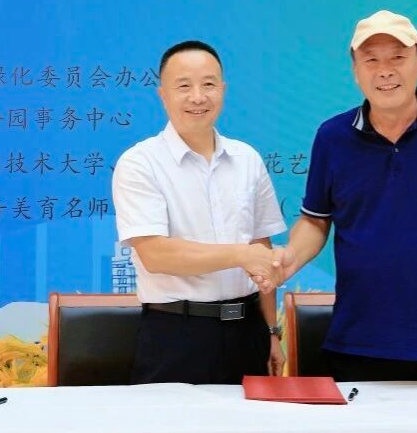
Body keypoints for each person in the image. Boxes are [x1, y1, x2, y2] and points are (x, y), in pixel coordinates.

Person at [264, 10, 417, 382]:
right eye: (371, 60)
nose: (385, 71)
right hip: (357, 340)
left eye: (397, 57)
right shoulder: (332, 137)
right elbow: (316, 221)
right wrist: (289, 259)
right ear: (355, 71)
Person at [112, 40, 286, 384]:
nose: (198, 97)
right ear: (163, 95)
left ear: (223, 90)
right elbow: (156, 255)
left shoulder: (247, 159)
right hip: (177, 334)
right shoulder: (140, 163)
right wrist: (241, 254)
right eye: (184, 86)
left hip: (249, 331)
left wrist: (271, 332)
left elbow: (261, 249)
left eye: (208, 84)